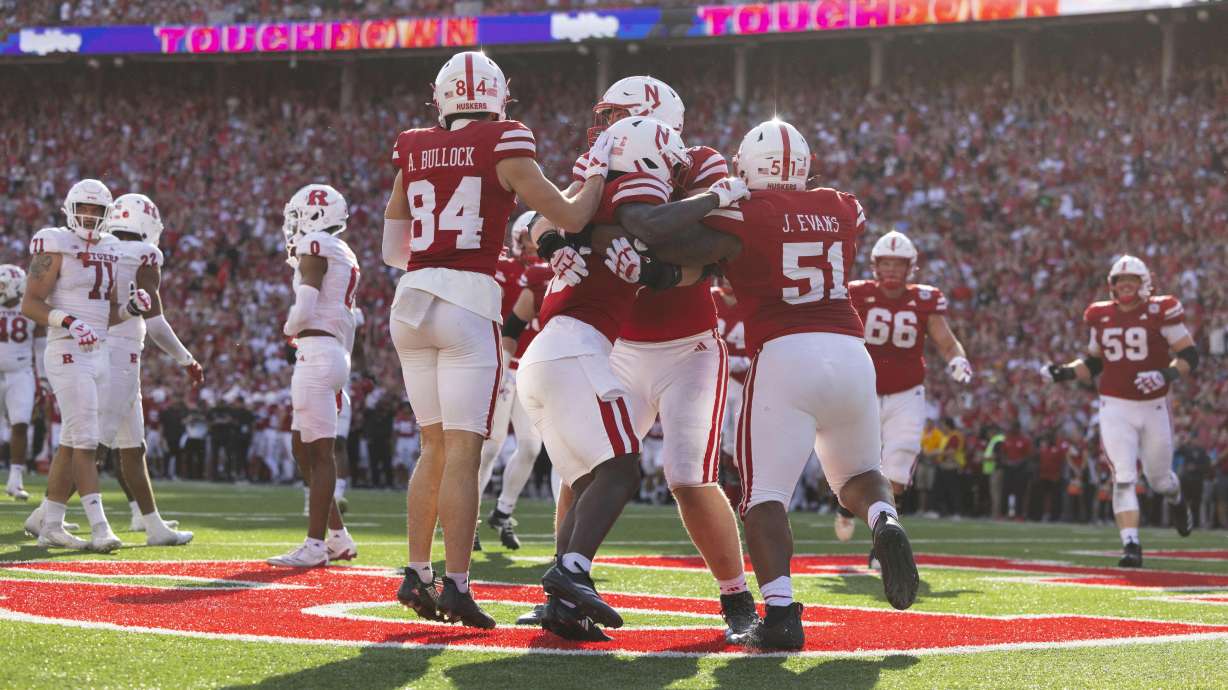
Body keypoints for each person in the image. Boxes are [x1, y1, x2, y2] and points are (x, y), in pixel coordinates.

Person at [611, 119, 920, 650]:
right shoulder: (843, 205)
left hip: (785, 353)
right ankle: (884, 518)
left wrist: (705, 206)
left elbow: (670, 240)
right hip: (849, 351)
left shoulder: (746, 210)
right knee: (860, 475)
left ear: (746, 168)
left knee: (763, 497)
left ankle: (779, 612)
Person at [382, 50, 607, 629]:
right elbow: (571, 216)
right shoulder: (505, 140)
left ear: (442, 98)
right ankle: (455, 584)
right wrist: (600, 176)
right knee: (463, 452)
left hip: (410, 301)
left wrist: (435, 261)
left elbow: (390, 249)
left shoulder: (413, 145)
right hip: (465, 301)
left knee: (432, 447)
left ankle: (416, 573)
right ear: (498, 96)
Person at [584, 77, 757, 639]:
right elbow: (576, 230)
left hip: (690, 347)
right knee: (584, 467)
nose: (605, 126)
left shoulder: (700, 162)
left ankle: (737, 600)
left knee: (688, 476)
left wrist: (647, 239)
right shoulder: (598, 162)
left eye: (617, 115)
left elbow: (724, 243)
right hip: (617, 343)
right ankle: (567, 584)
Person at [517, 114, 696, 640]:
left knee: (589, 478)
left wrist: (562, 239)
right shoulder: (620, 197)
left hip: (552, 356)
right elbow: (645, 226)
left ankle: (560, 606)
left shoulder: (594, 199)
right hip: (575, 349)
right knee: (621, 470)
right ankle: (571, 572)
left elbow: (545, 218)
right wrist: (715, 200)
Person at [1043, 255, 1198, 566]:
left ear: (1145, 285)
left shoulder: (1161, 310)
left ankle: (1177, 500)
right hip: (1115, 405)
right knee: (1123, 476)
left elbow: (1189, 355)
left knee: (1160, 480)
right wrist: (1064, 372)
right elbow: (1094, 363)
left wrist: (1165, 374)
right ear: (1111, 285)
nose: (1125, 286)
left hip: (1153, 405)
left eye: (1132, 281)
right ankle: (1131, 545)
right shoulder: (1100, 315)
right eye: (1120, 281)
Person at [21, 179, 135, 552]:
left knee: (72, 441)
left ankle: (51, 523)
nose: (88, 216)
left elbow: (107, 316)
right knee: (86, 440)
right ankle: (100, 527)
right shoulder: (54, 242)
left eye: (96, 210)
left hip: (98, 350)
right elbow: (31, 303)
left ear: (106, 215)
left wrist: (131, 310)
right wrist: (68, 321)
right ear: (70, 209)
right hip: (67, 350)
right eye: (83, 208)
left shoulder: (114, 249)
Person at [839, 230, 972, 542]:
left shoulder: (925, 298)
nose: (891, 270)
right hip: (863, 390)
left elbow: (946, 341)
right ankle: (847, 505)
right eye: (885, 264)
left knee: (900, 462)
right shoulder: (856, 293)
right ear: (875, 265)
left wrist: (957, 360)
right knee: (854, 463)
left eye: (898, 265)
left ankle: (884, 539)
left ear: (911, 267)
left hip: (907, 392)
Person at [96, 193, 200, 546]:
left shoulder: (102, 247)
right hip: (120, 352)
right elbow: (155, 324)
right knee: (97, 445)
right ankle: (52, 513)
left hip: (102, 346)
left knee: (133, 445)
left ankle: (151, 522)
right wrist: (187, 359)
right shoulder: (145, 254)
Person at [266, 183, 359, 567]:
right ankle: (337, 537)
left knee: (318, 453)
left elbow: (304, 307)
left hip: (318, 352)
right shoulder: (341, 250)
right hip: (329, 352)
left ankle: (315, 545)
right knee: (301, 447)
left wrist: (289, 328)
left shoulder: (316, 245)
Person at [0, 265, 45, 502]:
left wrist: (44, 380)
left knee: (20, 424)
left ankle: (15, 481)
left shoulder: (29, 306)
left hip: (21, 371)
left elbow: (41, 346)